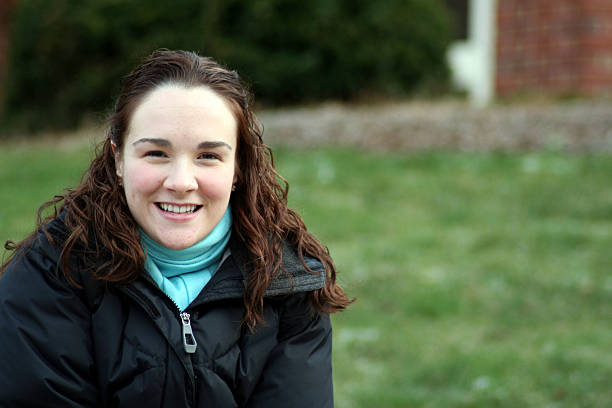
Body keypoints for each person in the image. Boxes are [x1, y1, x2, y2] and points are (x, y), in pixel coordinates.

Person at [0, 49, 351, 407]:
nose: (181, 182)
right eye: (156, 153)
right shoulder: (47, 275)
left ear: (239, 167)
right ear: (118, 157)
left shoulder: (290, 281)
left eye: (208, 156)